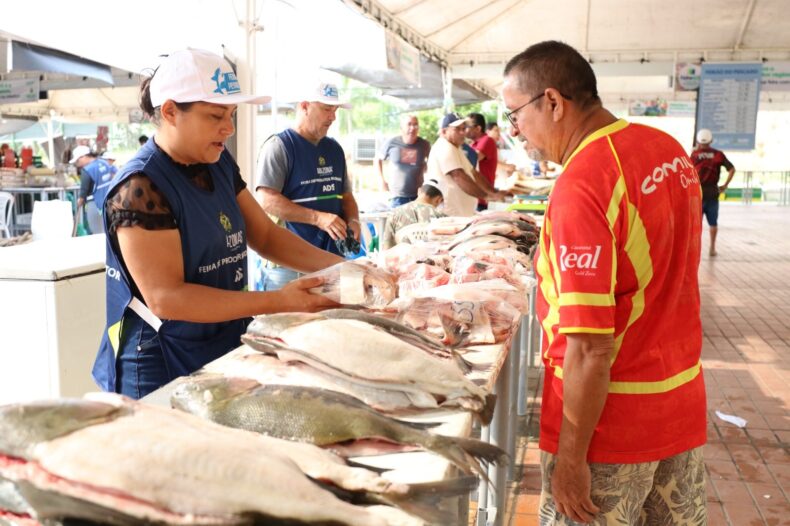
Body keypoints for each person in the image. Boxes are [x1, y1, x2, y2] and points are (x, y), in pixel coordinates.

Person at [502, 41, 706, 525]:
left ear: (553, 102)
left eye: (515, 115)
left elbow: (591, 347)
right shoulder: (666, 150)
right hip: (679, 403)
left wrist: (571, 460)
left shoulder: (583, 185)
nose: (517, 131)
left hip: (611, 428)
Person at [93, 49, 342, 400]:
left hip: (222, 340)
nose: (229, 128)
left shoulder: (219, 161)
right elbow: (166, 297)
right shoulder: (138, 187)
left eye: (232, 114)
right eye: (215, 116)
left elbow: (267, 236)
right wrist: (277, 300)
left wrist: (347, 268)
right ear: (170, 112)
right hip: (161, 357)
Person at [255, 82, 359, 290]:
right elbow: (266, 200)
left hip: (329, 261)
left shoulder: (335, 149)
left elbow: (346, 197)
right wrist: (318, 218)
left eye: (335, 110)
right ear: (304, 106)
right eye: (326, 109)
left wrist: (354, 221)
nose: (333, 117)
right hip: (287, 265)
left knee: (328, 322)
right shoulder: (279, 146)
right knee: (286, 322)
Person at [426, 113, 502, 217]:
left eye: (464, 128)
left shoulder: (456, 147)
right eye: (457, 129)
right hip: (449, 214)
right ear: (444, 131)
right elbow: (459, 176)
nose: (463, 132)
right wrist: (487, 196)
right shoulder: (444, 147)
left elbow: (474, 173)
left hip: (461, 214)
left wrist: (494, 193)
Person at [690, 128, 735, 257]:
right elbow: (732, 169)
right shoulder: (718, 154)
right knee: (713, 223)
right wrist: (725, 185)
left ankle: (694, 250)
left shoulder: (694, 155)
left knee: (695, 225)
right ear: (711, 140)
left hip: (697, 194)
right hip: (713, 193)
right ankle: (712, 248)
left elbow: (687, 172)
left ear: (698, 141)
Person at [376, 114, 431, 208]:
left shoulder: (424, 145)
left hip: (418, 196)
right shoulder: (392, 142)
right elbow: (377, 159)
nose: (412, 128)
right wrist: (381, 180)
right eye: (409, 124)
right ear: (401, 128)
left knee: (419, 223)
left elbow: (432, 164)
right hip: (397, 197)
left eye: (415, 124)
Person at [380, 180, 445, 249]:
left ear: (419, 191)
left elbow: (387, 249)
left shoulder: (394, 214)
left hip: (402, 258)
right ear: (439, 200)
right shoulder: (441, 217)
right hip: (432, 258)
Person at [73, 145, 116, 234]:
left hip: (95, 204)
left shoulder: (87, 170)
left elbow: (84, 190)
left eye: (77, 161)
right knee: (110, 231)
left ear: (83, 157)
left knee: (98, 232)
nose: (77, 164)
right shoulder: (105, 162)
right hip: (112, 201)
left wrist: (80, 201)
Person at [467, 113, 500, 211]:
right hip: (475, 197)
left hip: (481, 198)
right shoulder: (473, 144)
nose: (464, 129)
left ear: (478, 128)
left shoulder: (487, 140)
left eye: (467, 126)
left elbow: (472, 160)